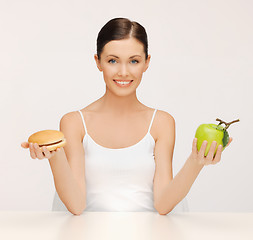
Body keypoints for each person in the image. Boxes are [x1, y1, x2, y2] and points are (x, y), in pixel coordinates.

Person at [21, 17, 232, 215]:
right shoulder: (74, 122)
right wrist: (55, 156)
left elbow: (163, 204)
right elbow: (76, 206)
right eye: (113, 61)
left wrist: (196, 162)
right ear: (98, 61)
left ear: (147, 62)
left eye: (134, 61)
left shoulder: (162, 122)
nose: (123, 72)